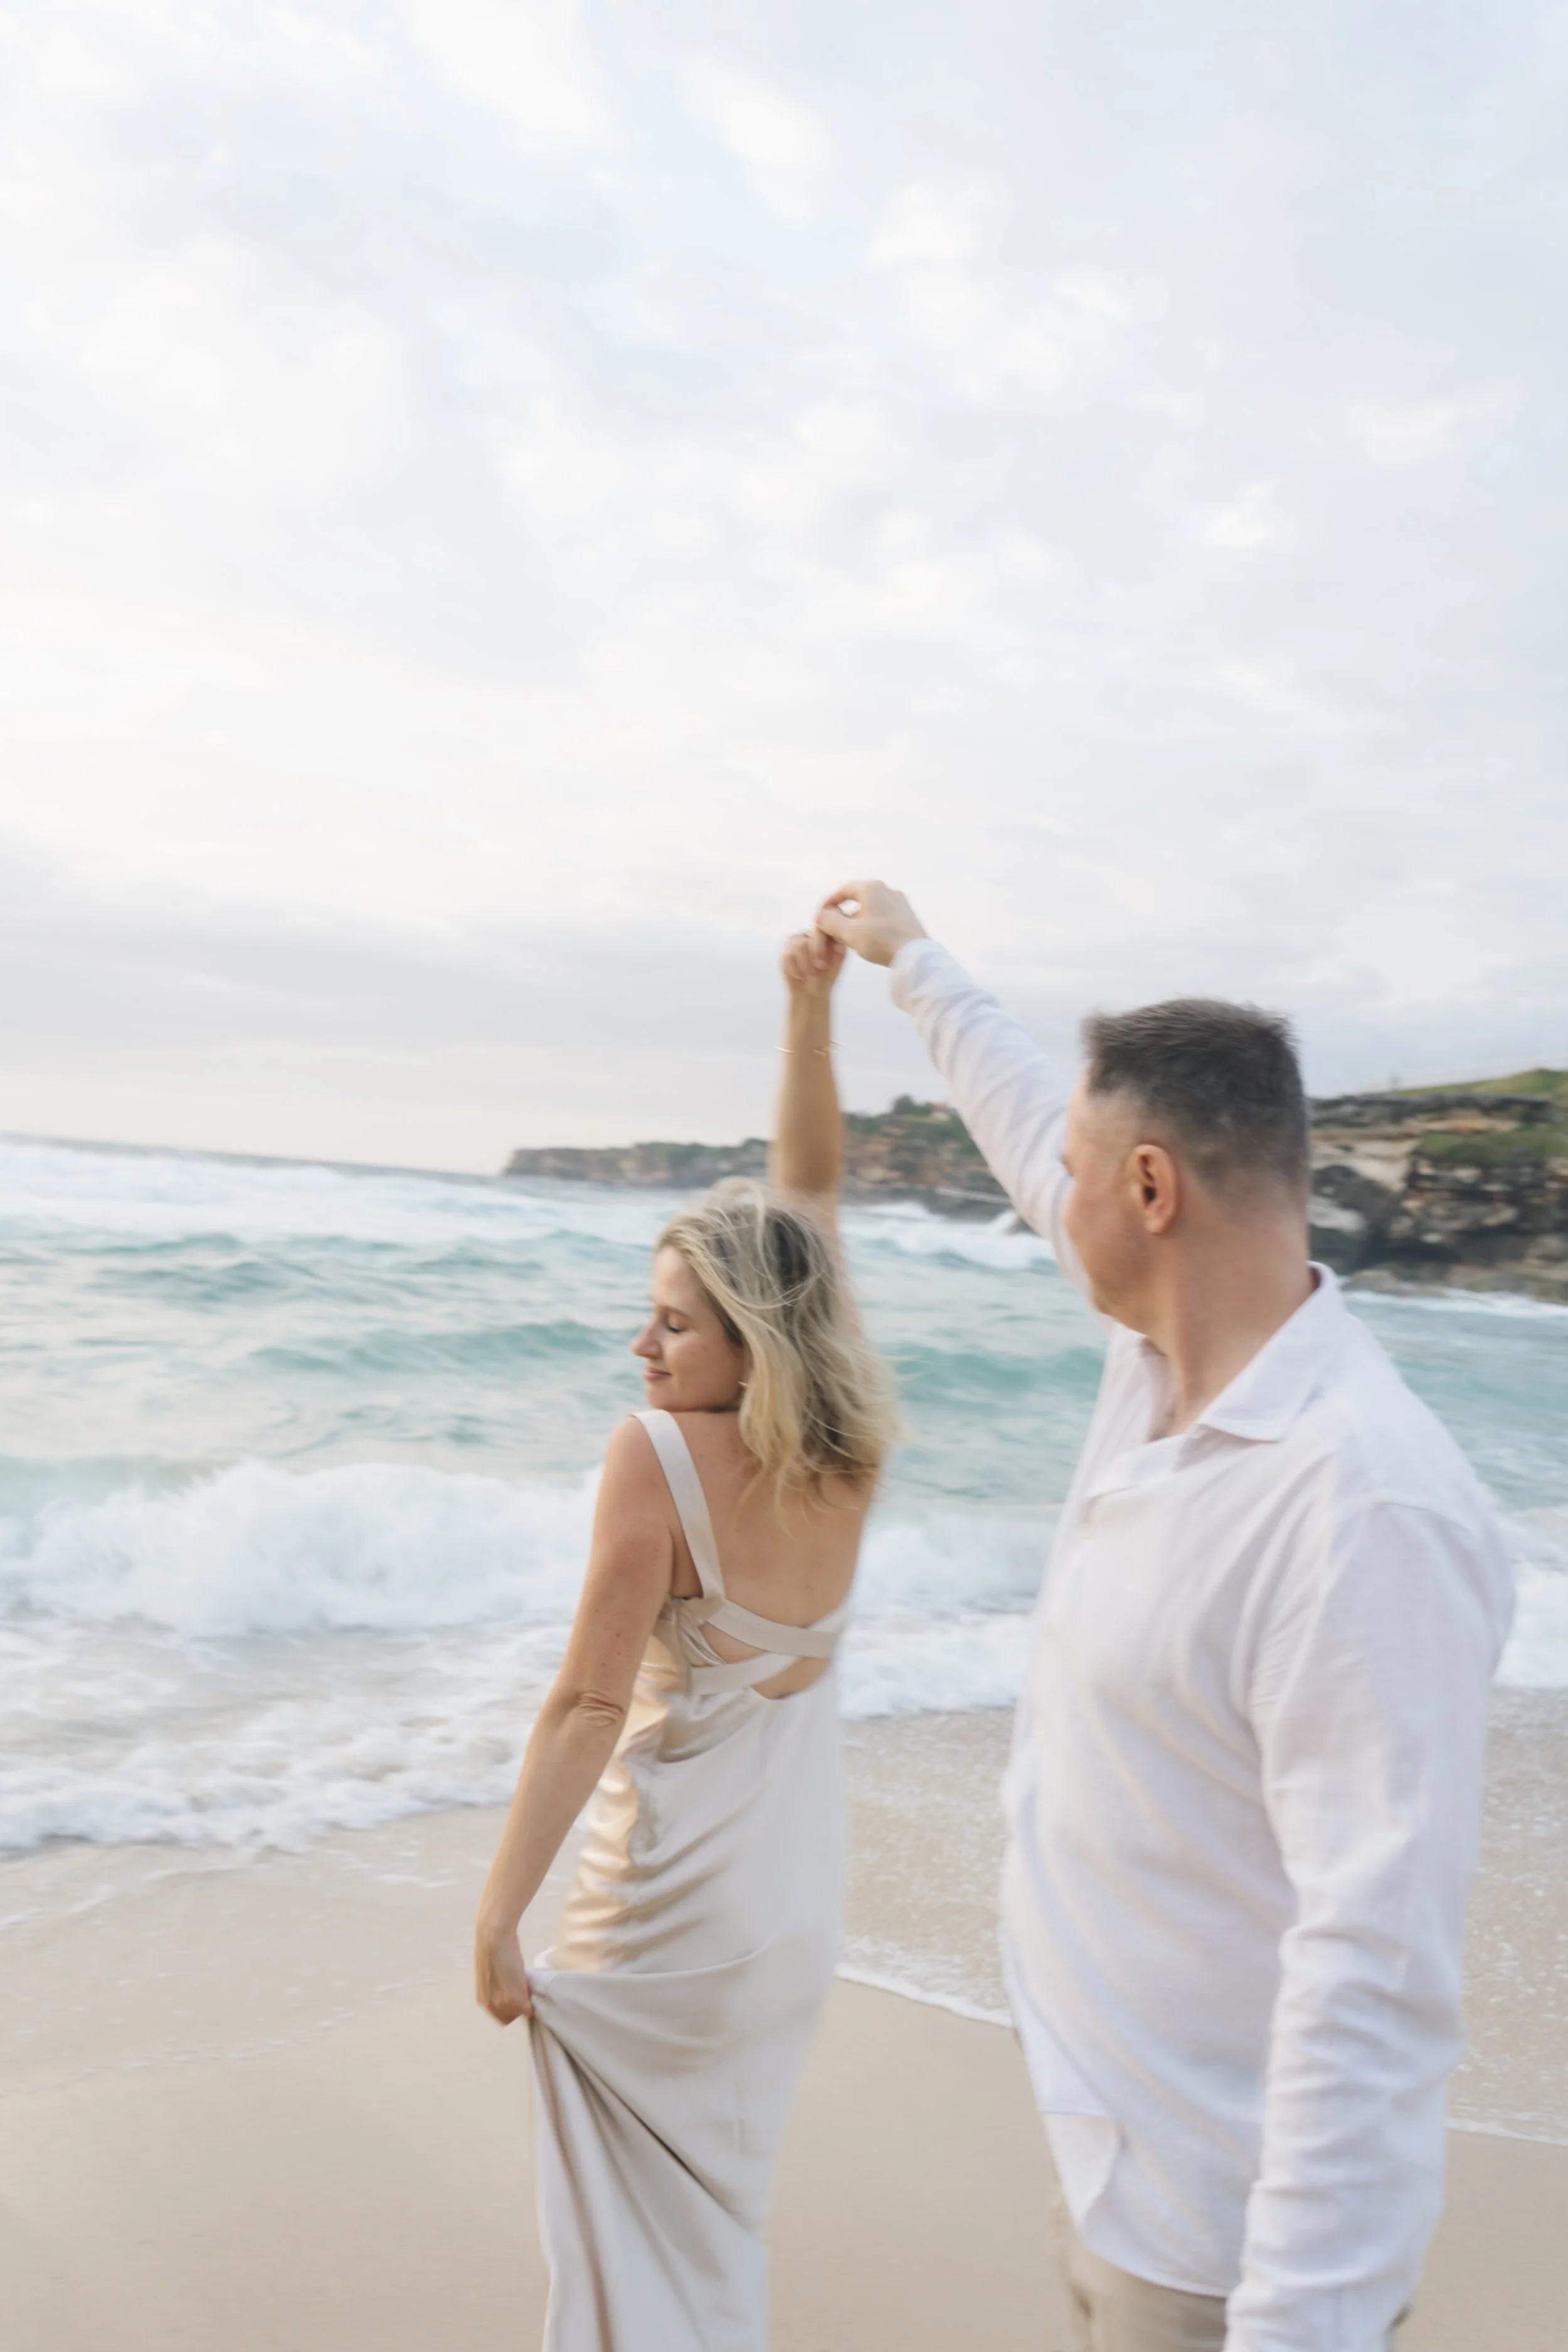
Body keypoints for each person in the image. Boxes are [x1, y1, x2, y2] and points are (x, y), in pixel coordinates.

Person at [813, 881, 1514, 2352]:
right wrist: (917, 961)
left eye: (1074, 1175)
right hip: (1111, 2166)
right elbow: (1024, 1120)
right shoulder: (1156, 1364)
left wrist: (1295, 2328)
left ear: (1148, 1190)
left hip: (1222, 2257)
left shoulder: (1358, 1511)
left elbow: (1373, 1969)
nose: (1044, 1199)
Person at [474, 930, 896, 2351]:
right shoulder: (850, 1459)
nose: (639, 1351)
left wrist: (495, 1916)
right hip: (787, 1913)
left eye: (669, 1326)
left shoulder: (653, 1455)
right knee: (716, 2225)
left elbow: (588, 1707)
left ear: (751, 1346)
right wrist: (809, 1015)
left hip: (661, 1911)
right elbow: (813, 1196)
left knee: (612, 2247)